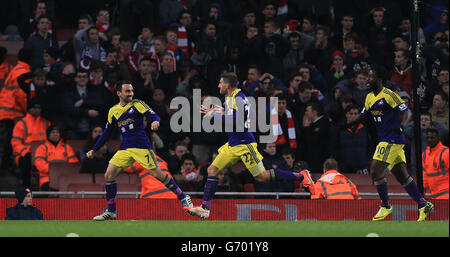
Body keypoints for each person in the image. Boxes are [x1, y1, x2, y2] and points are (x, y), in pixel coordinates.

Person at [186, 72, 314, 219]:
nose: (218, 85)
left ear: (227, 85)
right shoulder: (234, 97)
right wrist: (221, 111)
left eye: (220, 83)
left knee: (262, 176)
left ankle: (301, 176)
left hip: (245, 144)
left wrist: (215, 115)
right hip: (233, 144)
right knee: (212, 169)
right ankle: (205, 208)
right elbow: (250, 114)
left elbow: (237, 122)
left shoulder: (238, 99)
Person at [86, 82, 193, 221]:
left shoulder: (137, 104)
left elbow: (153, 115)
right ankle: (111, 211)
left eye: (131, 91)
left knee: (157, 173)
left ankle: (183, 197)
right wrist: (94, 149)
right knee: (109, 175)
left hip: (141, 146)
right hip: (125, 148)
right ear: (119, 93)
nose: (130, 93)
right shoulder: (113, 111)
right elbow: (106, 133)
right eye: (127, 91)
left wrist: (155, 121)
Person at [360, 66, 434, 221]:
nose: (367, 80)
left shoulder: (389, 95)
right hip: (384, 139)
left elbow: (407, 112)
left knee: (375, 171)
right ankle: (422, 203)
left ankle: (385, 206)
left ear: (379, 79)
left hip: (391, 139)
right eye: (367, 77)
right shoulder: (368, 97)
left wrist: (402, 126)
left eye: (370, 77)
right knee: (402, 176)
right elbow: (363, 116)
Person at [0, 48, 32, 171]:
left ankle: (6, 164)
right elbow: (21, 95)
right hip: (11, 110)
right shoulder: (21, 72)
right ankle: (5, 165)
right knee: (9, 139)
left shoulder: (18, 69)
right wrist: (27, 110)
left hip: (8, 109)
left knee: (8, 138)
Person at [11, 99, 50, 188]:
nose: (37, 110)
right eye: (34, 108)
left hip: (43, 154)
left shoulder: (46, 123)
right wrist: (25, 153)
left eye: (39, 108)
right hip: (25, 154)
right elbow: (15, 142)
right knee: (26, 161)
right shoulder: (21, 124)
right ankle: (26, 186)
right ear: (29, 109)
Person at [34, 126, 79, 191]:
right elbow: (39, 164)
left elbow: (73, 163)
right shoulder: (42, 148)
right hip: (47, 178)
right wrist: (54, 171)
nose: (56, 134)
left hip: (65, 177)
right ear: (48, 135)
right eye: (53, 132)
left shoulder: (67, 147)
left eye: (57, 132)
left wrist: (63, 171)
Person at [422, 128, 449, 199]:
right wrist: (422, 192)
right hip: (434, 195)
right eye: (428, 138)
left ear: (438, 138)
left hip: (446, 193)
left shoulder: (445, 152)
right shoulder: (425, 155)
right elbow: (424, 175)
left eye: (432, 137)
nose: (430, 140)